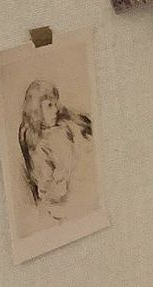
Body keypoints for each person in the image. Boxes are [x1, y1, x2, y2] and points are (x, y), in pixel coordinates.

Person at [18, 80, 92, 221]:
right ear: (36, 110)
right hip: (62, 204)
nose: (56, 110)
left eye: (55, 104)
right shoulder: (39, 146)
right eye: (49, 105)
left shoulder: (63, 127)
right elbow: (48, 190)